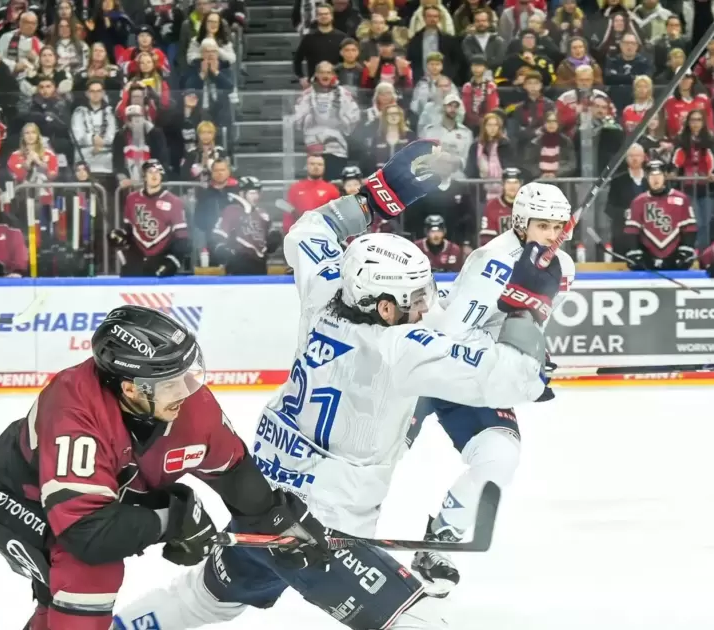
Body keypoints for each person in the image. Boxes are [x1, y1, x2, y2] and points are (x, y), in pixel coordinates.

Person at [114, 139, 553, 630]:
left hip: (262, 505)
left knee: (204, 599)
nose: (426, 307)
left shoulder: (324, 291)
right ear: (385, 307)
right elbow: (518, 379)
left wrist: (376, 197)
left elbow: (309, 229)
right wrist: (528, 303)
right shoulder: (401, 349)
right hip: (323, 534)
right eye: (414, 298)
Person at [0, 305, 327, 630]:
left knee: (54, 604)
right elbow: (86, 534)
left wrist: (278, 522)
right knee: (88, 574)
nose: (187, 391)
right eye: (173, 383)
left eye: (188, 374)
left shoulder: (187, 406)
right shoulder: (74, 411)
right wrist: (172, 521)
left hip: (106, 501)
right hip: (23, 500)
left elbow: (235, 472)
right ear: (131, 388)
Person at [408, 179, 575, 594]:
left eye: (558, 227)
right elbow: (450, 335)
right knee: (378, 454)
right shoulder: (494, 260)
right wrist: (509, 363)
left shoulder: (562, 266)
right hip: (426, 367)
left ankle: (439, 542)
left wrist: (531, 354)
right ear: (521, 222)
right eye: (543, 226)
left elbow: (527, 326)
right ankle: (329, 519)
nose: (552, 236)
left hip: (475, 376)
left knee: (501, 454)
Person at [111, 159, 189, 276]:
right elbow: (129, 230)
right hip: (137, 256)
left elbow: (182, 238)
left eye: (158, 172)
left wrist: (172, 261)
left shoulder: (174, 202)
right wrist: (120, 236)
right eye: (150, 172)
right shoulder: (132, 199)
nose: (154, 175)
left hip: (162, 255)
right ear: (144, 176)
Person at [622, 159, 697, 270]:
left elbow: (689, 229)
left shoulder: (681, 199)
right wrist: (635, 254)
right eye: (652, 176)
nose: (655, 179)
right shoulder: (638, 202)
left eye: (659, 175)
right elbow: (632, 231)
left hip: (674, 256)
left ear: (665, 176)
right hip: (648, 256)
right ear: (647, 178)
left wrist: (685, 252)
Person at [211, 176, 282, 275]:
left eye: (257, 193)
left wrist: (274, 238)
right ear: (241, 193)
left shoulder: (262, 213)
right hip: (238, 263)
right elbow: (219, 235)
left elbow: (270, 234)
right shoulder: (231, 210)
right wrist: (222, 248)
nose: (256, 196)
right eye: (252, 193)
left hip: (260, 263)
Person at [478, 167, 522, 246]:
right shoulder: (491, 206)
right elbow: (486, 239)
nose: (512, 186)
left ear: (521, 184)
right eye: (508, 182)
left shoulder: (529, 204)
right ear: (503, 184)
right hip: (501, 252)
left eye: (515, 182)